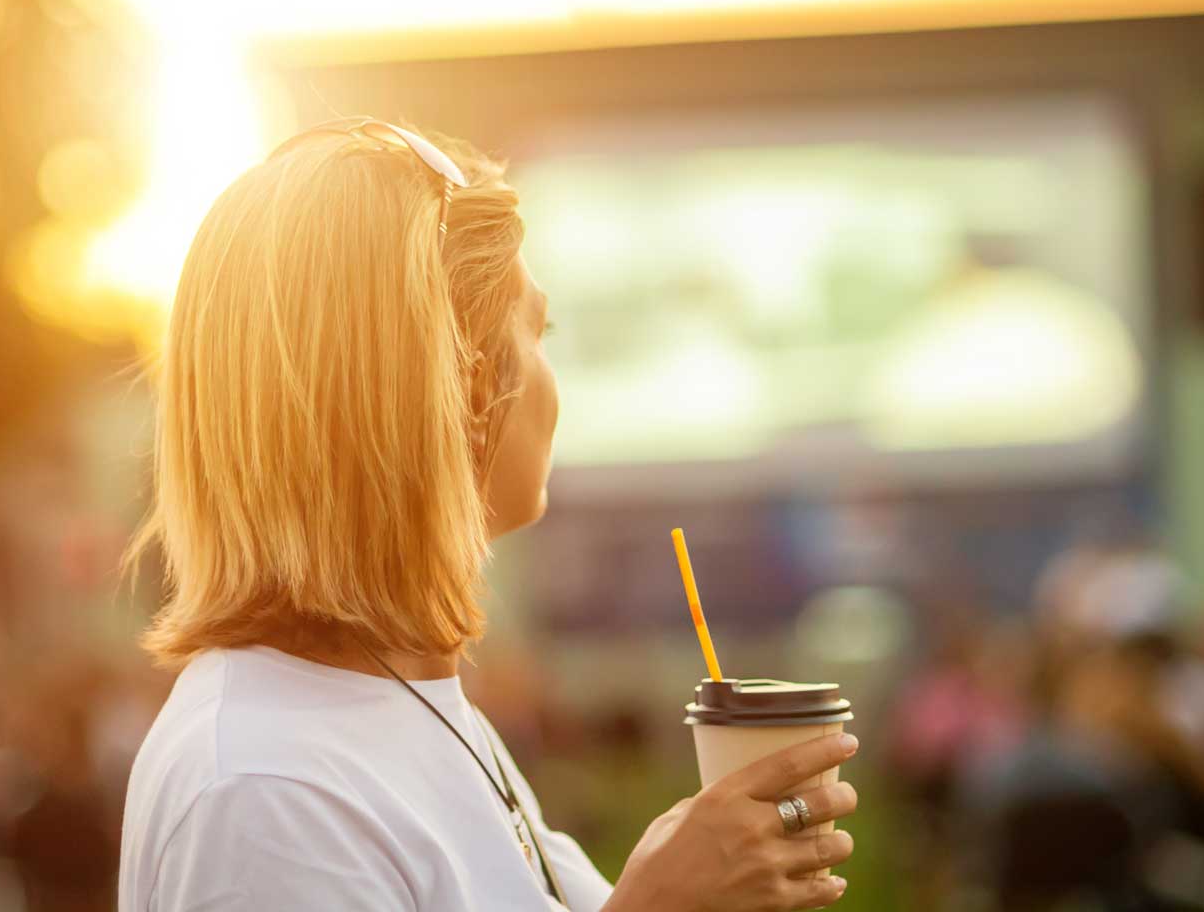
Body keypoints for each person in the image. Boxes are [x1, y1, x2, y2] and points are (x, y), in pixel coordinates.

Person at [117, 118, 858, 911]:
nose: (551, 378)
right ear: (463, 386)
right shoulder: (265, 790)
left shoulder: (390, 703)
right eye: (538, 332)